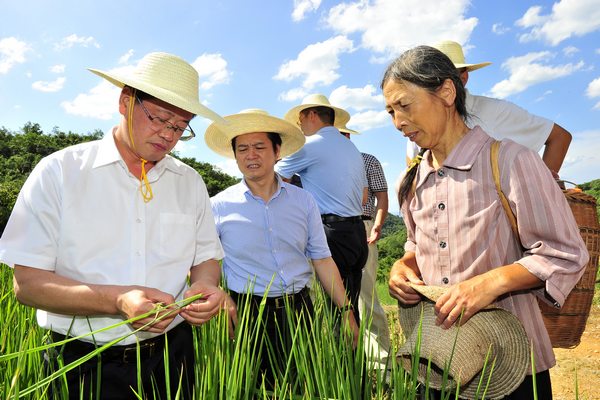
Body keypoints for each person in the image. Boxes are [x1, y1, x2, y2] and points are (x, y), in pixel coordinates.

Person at [0, 52, 233, 399]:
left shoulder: (190, 182)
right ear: (125, 101)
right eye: (160, 118)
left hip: (172, 355)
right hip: (82, 362)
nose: (168, 135)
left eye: (180, 128)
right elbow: (27, 285)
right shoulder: (60, 172)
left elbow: (205, 259)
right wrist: (118, 300)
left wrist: (205, 286)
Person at [383, 45, 588, 399]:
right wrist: (403, 265)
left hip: (507, 359)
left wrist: (489, 283)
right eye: (390, 111)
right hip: (438, 360)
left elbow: (564, 253)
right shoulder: (414, 179)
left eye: (404, 105)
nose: (398, 122)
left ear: (447, 92)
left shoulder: (511, 161)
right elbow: (416, 242)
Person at [205, 109, 359, 388]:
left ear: (277, 152)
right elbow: (208, 261)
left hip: (299, 311)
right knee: (251, 388)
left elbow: (323, 260)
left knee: (304, 385)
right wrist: (218, 293)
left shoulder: (304, 201)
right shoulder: (218, 206)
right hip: (246, 315)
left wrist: (346, 310)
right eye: (243, 149)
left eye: (260, 147)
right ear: (236, 156)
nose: (251, 155)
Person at [405, 40, 572, 180]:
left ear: (463, 78)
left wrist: (542, 189)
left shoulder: (495, 111)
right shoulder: (419, 125)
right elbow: (413, 172)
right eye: (426, 80)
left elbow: (559, 137)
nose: (432, 86)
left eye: (439, 79)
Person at [275, 94, 368, 325]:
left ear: (312, 115)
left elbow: (273, 179)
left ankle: (338, 362)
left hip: (332, 233)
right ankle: (355, 362)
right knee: (350, 308)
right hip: (356, 233)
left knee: (335, 315)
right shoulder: (351, 147)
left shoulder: (312, 145)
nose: (300, 127)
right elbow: (365, 195)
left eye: (300, 120)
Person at [338, 124, 391, 362]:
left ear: (348, 136)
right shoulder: (317, 164)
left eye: (339, 135)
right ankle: (339, 358)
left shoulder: (367, 160)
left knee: (367, 294)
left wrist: (378, 225)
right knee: (330, 296)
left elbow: (381, 197)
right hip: (325, 229)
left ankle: (380, 364)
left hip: (362, 226)